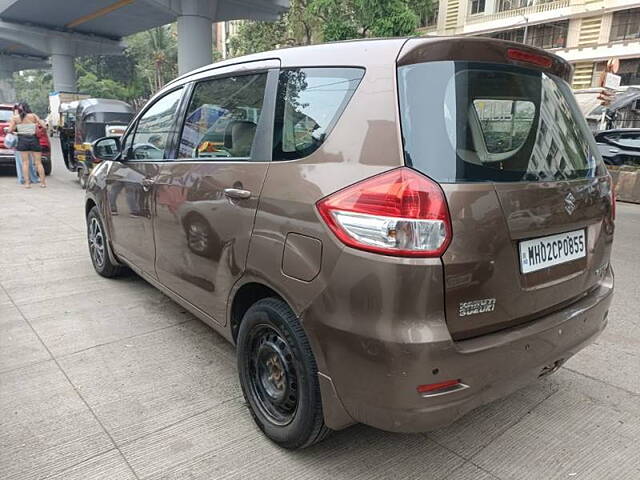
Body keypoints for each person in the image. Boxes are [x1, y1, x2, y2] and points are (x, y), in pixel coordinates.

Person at [9, 102, 46, 188]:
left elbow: (10, 130)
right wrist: (36, 126)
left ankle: (27, 184)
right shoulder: (33, 116)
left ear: (18, 109)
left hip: (22, 140)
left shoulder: (15, 118)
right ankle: (43, 183)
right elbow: (44, 126)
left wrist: (15, 131)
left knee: (25, 163)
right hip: (34, 140)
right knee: (38, 163)